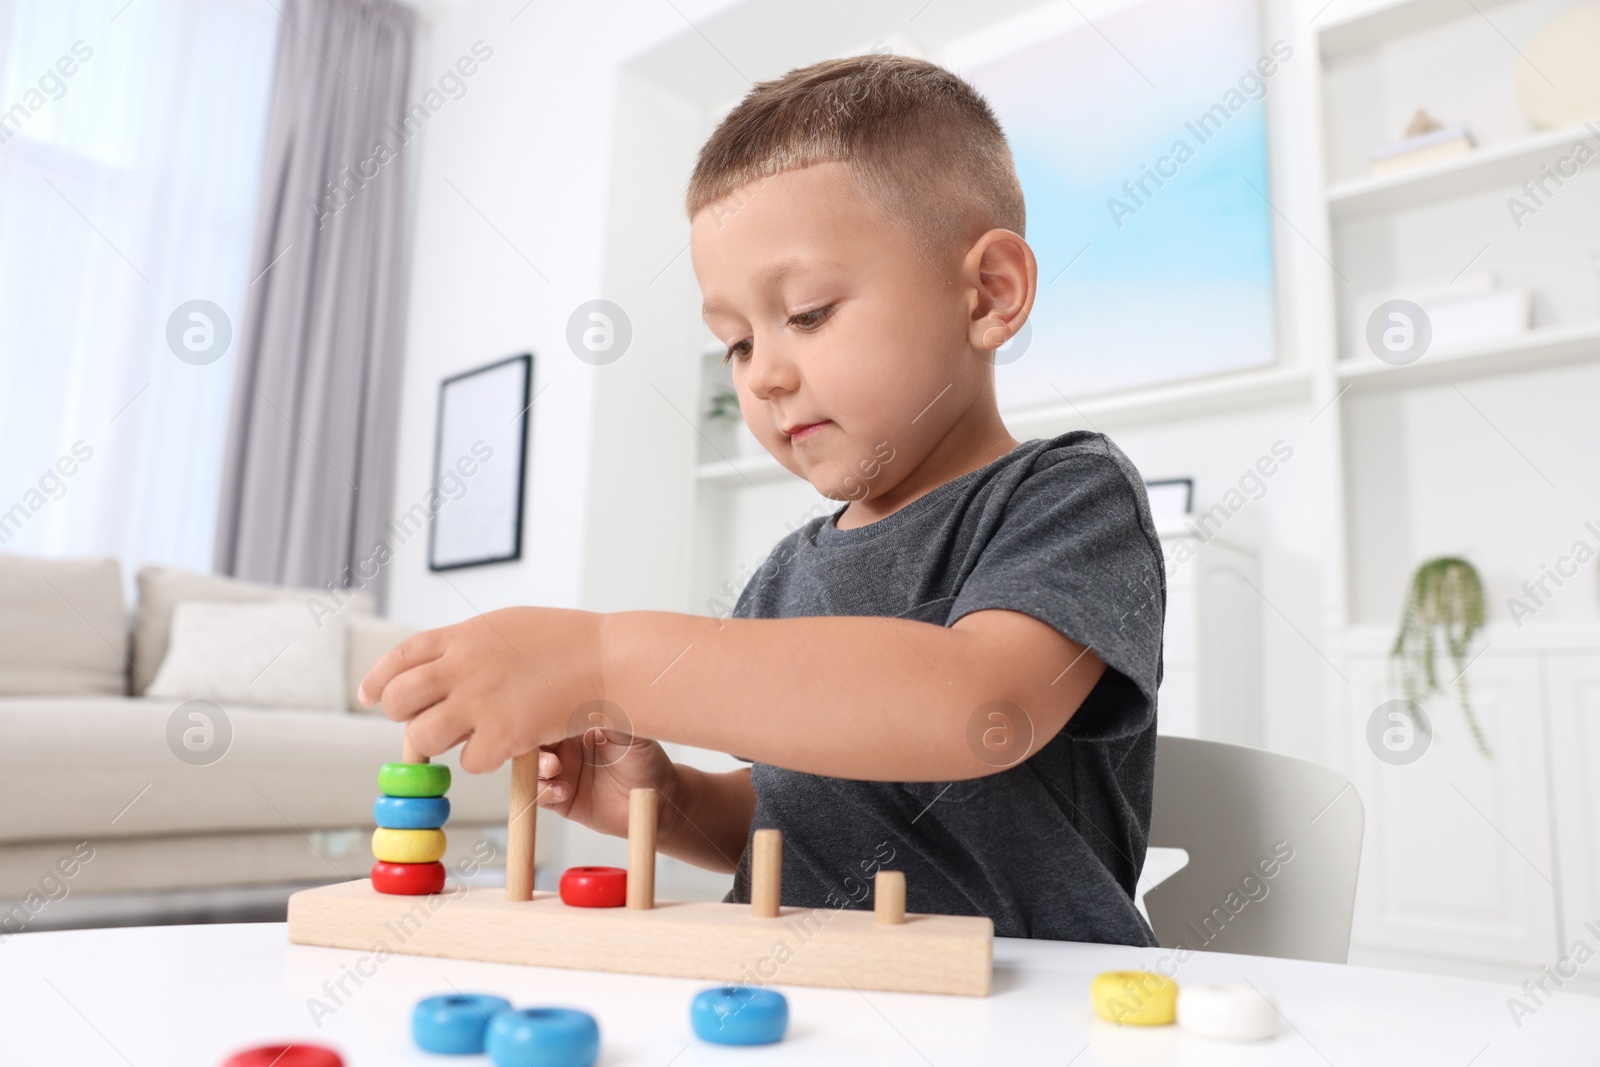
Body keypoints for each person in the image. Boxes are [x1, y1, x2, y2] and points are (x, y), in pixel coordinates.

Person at [360, 54, 1165, 945]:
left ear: (989, 293)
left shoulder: (1067, 495)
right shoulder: (789, 572)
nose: (768, 375)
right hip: (799, 1000)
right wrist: (672, 806)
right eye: (737, 343)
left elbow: (978, 710)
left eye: (810, 313)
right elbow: (804, 815)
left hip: (1023, 1009)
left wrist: (602, 658)